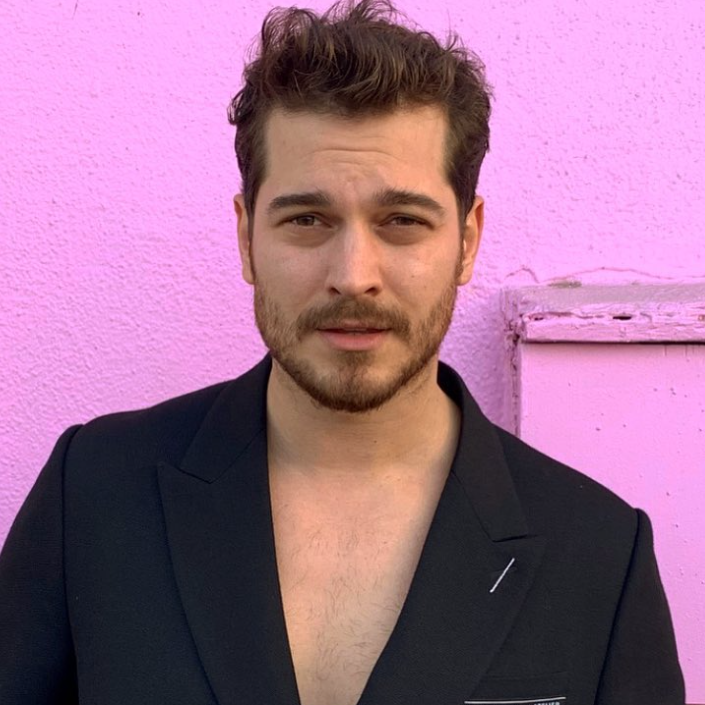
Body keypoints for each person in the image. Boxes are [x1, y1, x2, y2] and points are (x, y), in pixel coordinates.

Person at [0, 0, 685, 703]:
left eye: (401, 221)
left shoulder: (599, 554)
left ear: (467, 240)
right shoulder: (93, 496)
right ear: (246, 236)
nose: (353, 274)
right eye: (307, 219)